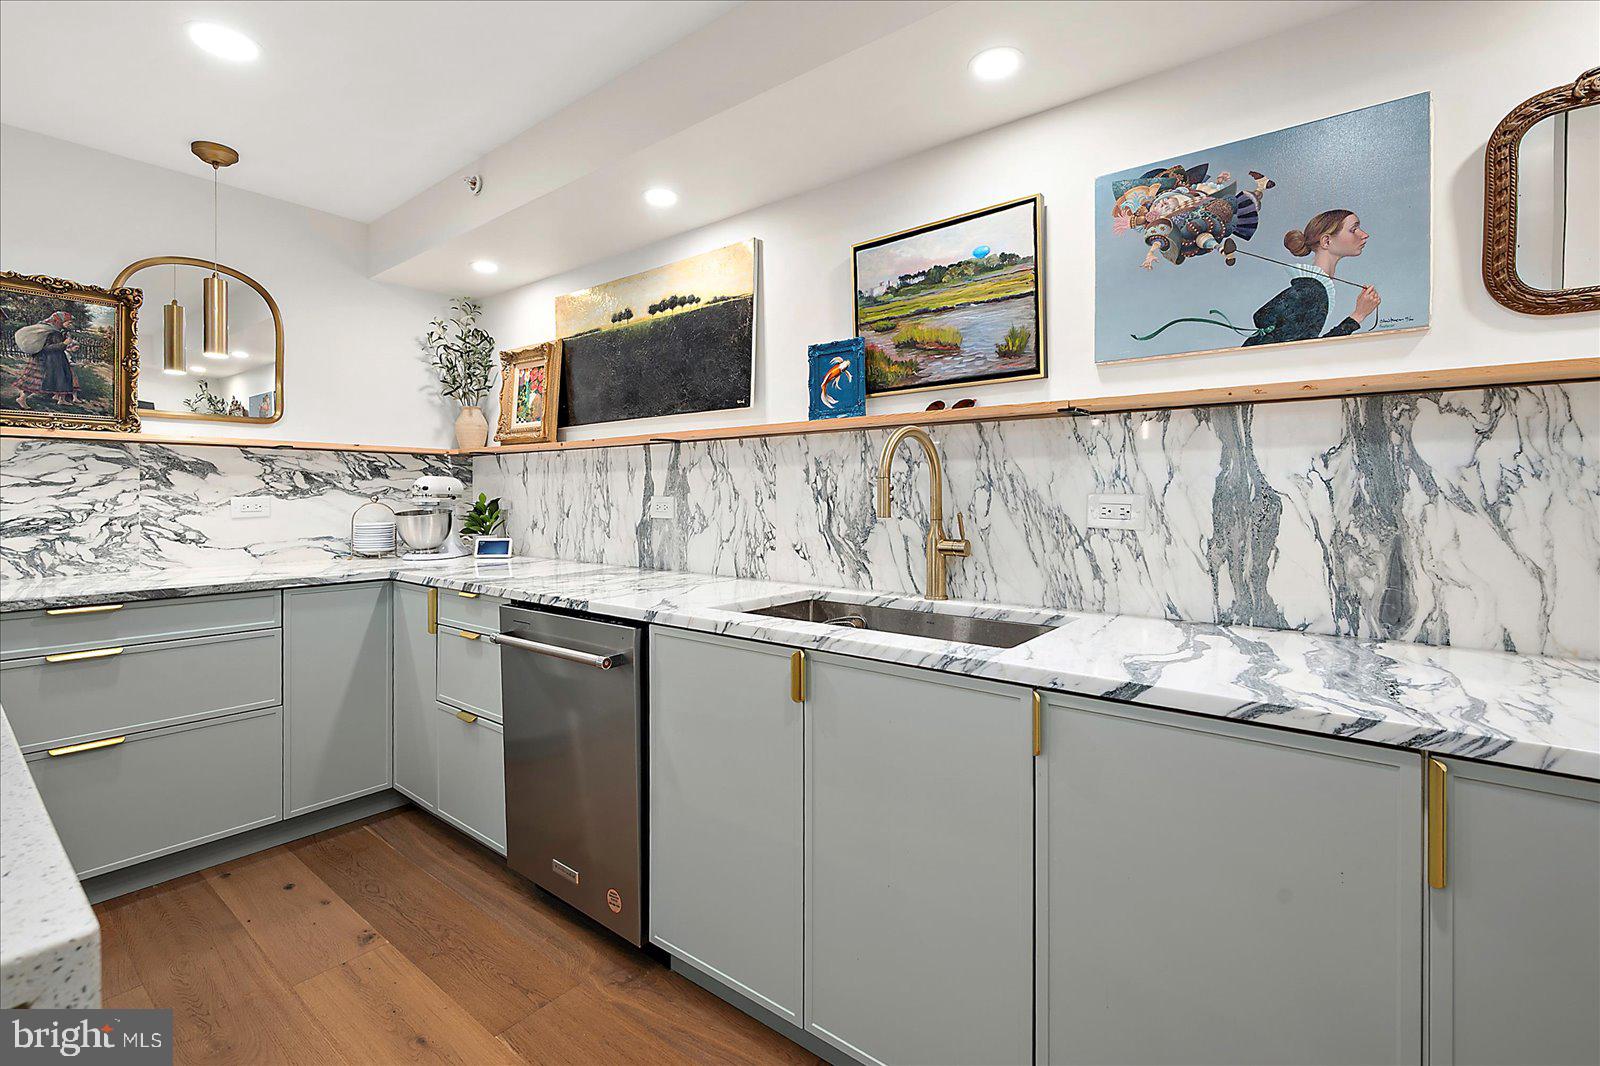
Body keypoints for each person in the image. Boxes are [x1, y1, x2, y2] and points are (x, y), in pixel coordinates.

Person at [1243, 210, 1381, 346]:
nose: (1364, 235)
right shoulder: (1312, 292)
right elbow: (1310, 351)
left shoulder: (1312, 287)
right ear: (1326, 241)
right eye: (1354, 229)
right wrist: (1359, 315)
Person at [11, 310, 77, 408]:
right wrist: (64, 344)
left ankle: (61, 399)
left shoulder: (58, 331)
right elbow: (47, 348)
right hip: (46, 360)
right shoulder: (52, 332)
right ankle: (22, 398)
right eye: (69, 321)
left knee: (63, 377)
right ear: (60, 321)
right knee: (37, 380)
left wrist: (65, 340)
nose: (70, 324)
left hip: (56, 359)